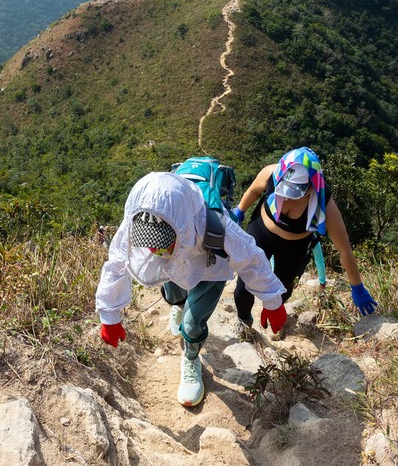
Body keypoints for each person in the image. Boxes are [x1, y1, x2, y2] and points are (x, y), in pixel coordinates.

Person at [96, 171, 289, 407]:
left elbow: (250, 257)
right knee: (174, 296)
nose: (153, 250)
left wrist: (272, 301)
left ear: (184, 226)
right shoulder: (138, 219)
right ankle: (178, 305)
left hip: (210, 269)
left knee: (192, 323)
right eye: (147, 242)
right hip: (174, 268)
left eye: (161, 242)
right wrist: (110, 315)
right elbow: (117, 263)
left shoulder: (214, 226)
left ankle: (190, 358)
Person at [229, 146, 378, 328]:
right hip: (261, 233)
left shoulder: (325, 205)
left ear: (312, 185)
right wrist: (239, 211)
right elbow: (253, 191)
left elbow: (344, 250)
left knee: (282, 289)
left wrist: (357, 286)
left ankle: (273, 313)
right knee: (244, 286)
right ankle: (244, 321)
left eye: (296, 192)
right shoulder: (271, 174)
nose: (289, 197)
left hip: (294, 247)